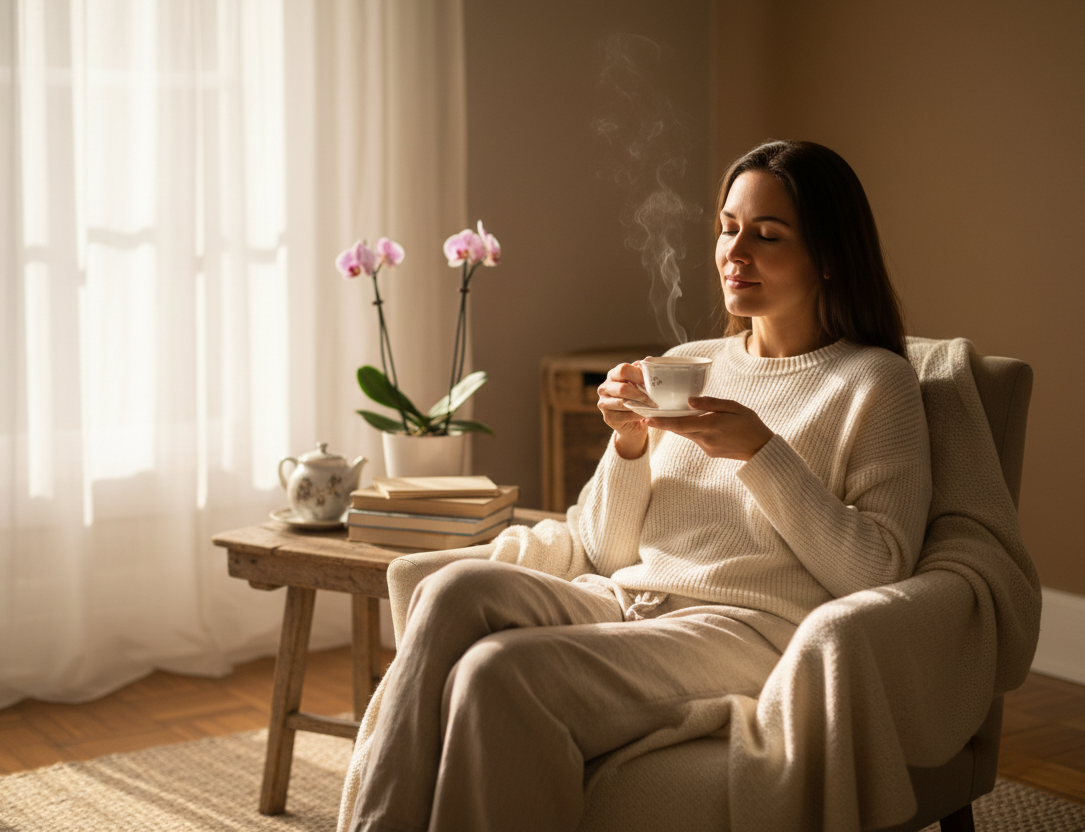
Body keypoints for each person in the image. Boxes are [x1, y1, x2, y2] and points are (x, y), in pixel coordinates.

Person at [346, 140, 933, 832]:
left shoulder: (875, 384)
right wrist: (628, 443)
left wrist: (760, 452)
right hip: (624, 600)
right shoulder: (690, 365)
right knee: (450, 590)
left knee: (497, 673)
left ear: (830, 256)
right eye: (727, 227)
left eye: (767, 235)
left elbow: (880, 570)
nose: (735, 252)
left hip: (748, 631)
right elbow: (602, 547)